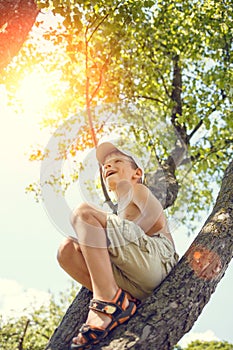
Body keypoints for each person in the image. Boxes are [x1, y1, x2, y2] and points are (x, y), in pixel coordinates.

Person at [57, 142, 179, 349]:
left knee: (83, 212)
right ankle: (122, 301)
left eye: (117, 161)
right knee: (66, 249)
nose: (108, 166)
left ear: (136, 173)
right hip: (136, 280)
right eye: (105, 165)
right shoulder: (119, 210)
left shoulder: (137, 189)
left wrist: (112, 235)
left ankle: (106, 300)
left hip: (158, 261)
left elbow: (156, 220)